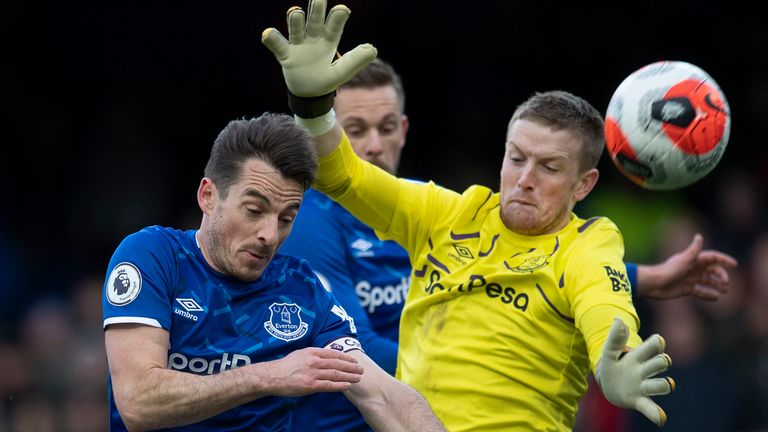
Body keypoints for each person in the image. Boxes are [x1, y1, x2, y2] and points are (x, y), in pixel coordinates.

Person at [262, 1, 680, 429]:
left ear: (584, 185)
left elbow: (602, 300)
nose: (524, 179)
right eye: (516, 159)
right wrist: (312, 107)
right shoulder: (448, 212)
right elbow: (342, 176)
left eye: (549, 167)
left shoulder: (588, 243)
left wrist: (617, 357)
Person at [101, 113, 446, 431]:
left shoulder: (302, 288)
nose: (270, 235)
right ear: (208, 196)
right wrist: (267, 376)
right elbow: (138, 401)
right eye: (254, 209)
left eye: (286, 218)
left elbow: (382, 395)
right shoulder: (154, 256)